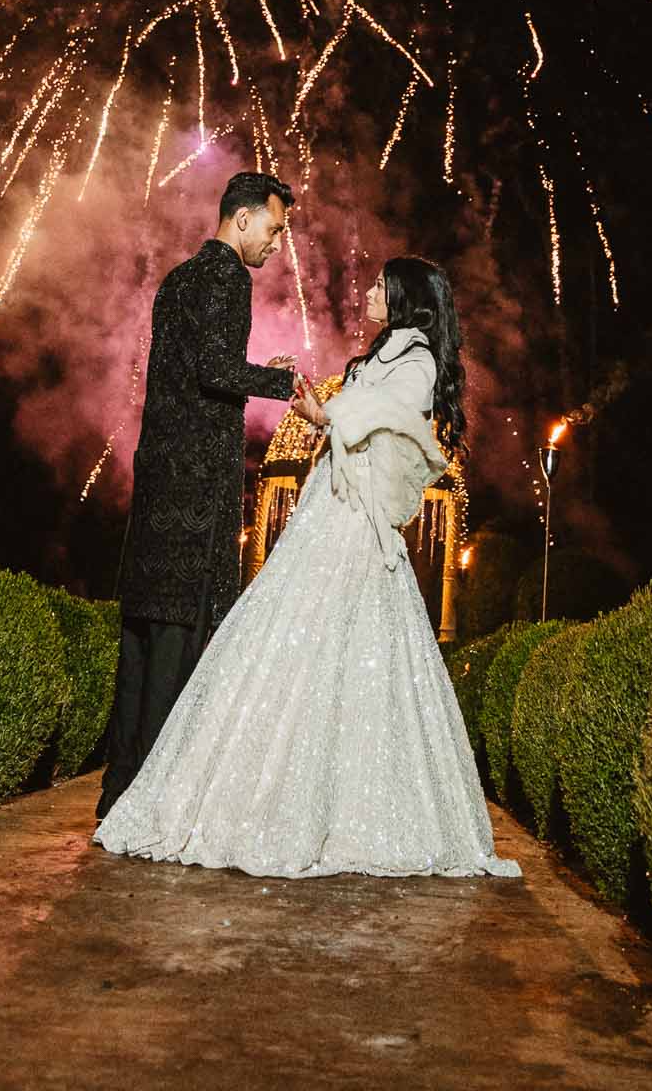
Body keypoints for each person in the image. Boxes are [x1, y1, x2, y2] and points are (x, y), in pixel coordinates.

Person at [94, 255, 521, 879]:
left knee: (344, 650)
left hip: (354, 526)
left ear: (405, 298)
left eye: (380, 285)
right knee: (286, 638)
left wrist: (330, 416)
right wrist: (321, 416)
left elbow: (397, 422)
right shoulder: (381, 356)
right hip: (327, 509)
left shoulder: (418, 360)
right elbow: (357, 419)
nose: (369, 291)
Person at [95, 171, 298, 821]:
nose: (276, 244)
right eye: (273, 228)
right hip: (195, 488)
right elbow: (215, 368)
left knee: (141, 637)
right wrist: (291, 386)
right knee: (179, 638)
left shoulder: (177, 278)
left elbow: (176, 375)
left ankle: (118, 792)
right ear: (241, 221)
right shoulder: (228, 276)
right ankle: (154, 802)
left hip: (157, 478)